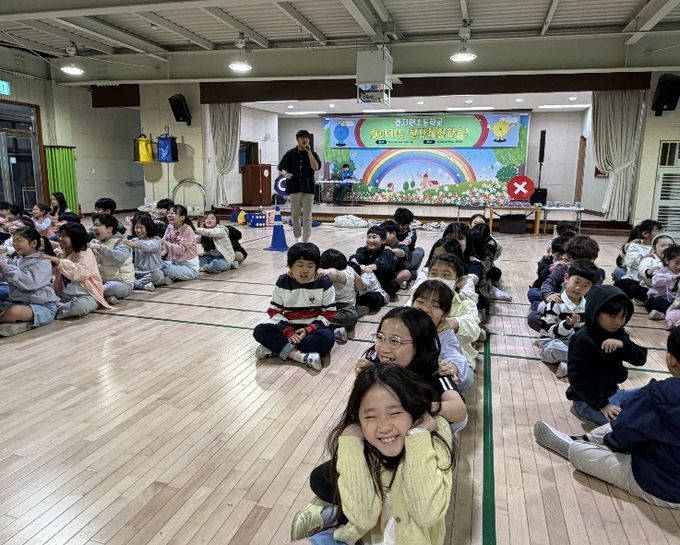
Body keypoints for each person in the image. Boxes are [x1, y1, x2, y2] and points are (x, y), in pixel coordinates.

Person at [292, 307, 464, 541]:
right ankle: (337, 514)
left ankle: (336, 514)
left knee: (399, 494)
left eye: (395, 341)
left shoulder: (435, 375)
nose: (383, 347)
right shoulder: (375, 367)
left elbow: (459, 410)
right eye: (380, 337)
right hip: (378, 456)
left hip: (415, 456)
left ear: (420, 344)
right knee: (322, 478)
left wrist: (417, 410)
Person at [534, 327, 680, 509]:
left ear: (670, 359)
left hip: (659, 484)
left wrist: (611, 442)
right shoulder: (658, 393)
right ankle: (585, 438)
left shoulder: (658, 393)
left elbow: (625, 432)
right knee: (627, 414)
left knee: (583, 451)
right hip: (663, 462)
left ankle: (576, 444)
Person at [565, 285, 648, 425]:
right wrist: (603, 405)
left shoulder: (619, 334)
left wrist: (624, 345)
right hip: (589, 402)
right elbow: (577, 379)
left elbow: (640, 359)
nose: (618, 322)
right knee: (624, 425)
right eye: (612, 316)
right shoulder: (581, 340)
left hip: (615, 393)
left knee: (653, 392)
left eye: (623, 317)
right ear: (596, 313)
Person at [253, 242, 336, 371]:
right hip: (288, 329)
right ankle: (298, 356)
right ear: (291, 266)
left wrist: (307, 330)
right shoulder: (283, 281)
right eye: (299, 265)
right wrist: (288, 331)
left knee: (327, 338)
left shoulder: (324, 282)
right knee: (260, 330)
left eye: (310, 266)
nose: (304, 270)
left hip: (312, 330)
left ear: (316, 267)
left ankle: (277, 349)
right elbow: (274, 311)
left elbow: (329, 314)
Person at [534, 259, 600, 378]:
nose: (579, 288)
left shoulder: (587, 306)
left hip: (573, 345)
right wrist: (567, 325)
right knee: (555, 348)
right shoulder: (555, 303)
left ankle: (569, 366)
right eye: (576, 282)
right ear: (566, 278)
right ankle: (579, 364)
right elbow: (550, 332)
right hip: (552, 342)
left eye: (586, 285)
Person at [412, 279, 474, 393]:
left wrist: (453, 367)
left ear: (445, 314)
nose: (425, 309)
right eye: (420, 301)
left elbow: (452, 353)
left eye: (435, 306)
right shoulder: (401, 322)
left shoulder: (442, 333)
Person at [43, 222, 111, 319]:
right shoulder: (60, 251)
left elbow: (80, 273)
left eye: (64, 236)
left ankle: (52, 310)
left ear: (75, 237)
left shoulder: (85, 252)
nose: (60, 238)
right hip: (64, 294)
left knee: (79, 307)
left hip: (86, 295)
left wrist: (58, 262)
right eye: (59, 235)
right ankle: (56, 308)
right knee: (42, 297)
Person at [0, 226, 59, 336]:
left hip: (42, 306)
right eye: (14, 241)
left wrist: (4, 267)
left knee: (15, 311)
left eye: (19, 241)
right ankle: (11, 321)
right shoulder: (16, 259)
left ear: (33, 243)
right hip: (16, 301)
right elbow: (4, 276)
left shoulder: (43, 261)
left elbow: (29, 283)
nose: (15, 244)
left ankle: (5, 319)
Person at [278, 129, 321, 243]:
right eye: (303, 138)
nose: (305, 140)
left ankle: (306, 241)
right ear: (298, 139)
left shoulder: (313, 153)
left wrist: (309, 152)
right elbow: (281, 168)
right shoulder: (290, 153)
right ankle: (297, 237)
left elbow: (316, 167)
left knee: (307, 217)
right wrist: (285, 174)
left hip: (308, 190)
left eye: (307, 138)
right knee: (295, 216)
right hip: (294, 189)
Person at [89, 214, 134, 305]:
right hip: (102, 282)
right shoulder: (95, 242)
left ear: (109, 229)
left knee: (109, 288)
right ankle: (104, 296)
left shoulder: (122, 242)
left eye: (97, 225)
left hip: (122, 283)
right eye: (93, 225)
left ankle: (99, 295)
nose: (94, 228)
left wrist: (100, 247)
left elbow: (119, 258)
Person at [614, 219, 663, 302]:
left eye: (661, 231)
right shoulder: (635, 246)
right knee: (622, 284)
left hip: (657, 283)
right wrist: (644, 258)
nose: (660, 234)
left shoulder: (662, 247)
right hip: (636, 280)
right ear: (645, 234)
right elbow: (631, 261)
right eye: (657, 231)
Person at [318, 249, 358, 344]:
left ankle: (319, 326)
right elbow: (362, 285)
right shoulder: (323, 274)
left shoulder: (346, 271)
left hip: (344, 308)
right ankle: (334, 329)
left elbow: (334, 273)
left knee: (351, 316)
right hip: (326, 307)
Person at [350, 226, 399, 299]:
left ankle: (385, 296)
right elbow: (358, 257)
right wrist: (353, 261)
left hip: (382, 282)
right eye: (368, 237)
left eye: (374, 237)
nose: (370, 240)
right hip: (365, 281)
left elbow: (384, 264)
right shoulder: (363, 250)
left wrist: (370, 267)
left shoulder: (387, 252)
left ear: (383, 241)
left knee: (393, 285)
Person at [121, 214, 164, 292]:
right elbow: (126, 244)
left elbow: (148, 247)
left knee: (158, 274)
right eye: (136, 227)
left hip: (152, 272)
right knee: (123, 273)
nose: (138, 230)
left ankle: (135, 284)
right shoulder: (135, 240)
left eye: (141, 227)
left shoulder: (155, 240)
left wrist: (133, 244)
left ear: (148, 228)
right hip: (138, 273)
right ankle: (143, 285)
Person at [161, 205, 199, 283]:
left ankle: (166, 279)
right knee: (155, 266)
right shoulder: (170, 226)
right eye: (168, 212)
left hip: (189, 268)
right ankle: (167, 279)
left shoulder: (188, 230)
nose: (169, 215)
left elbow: (180, 250)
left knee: (164, 269)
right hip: (174, 263)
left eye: (173, 213)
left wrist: (164, 241)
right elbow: (164, 247)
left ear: (182, 217)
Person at [646, 244, 680, 319]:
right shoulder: (661, 270)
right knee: (651, 302)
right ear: (667, 261)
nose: (679, 267)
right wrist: (672, 277)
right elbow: (656, 281)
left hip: (674, 302)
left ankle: (666, 315)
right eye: (676, 263)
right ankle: (665, 315)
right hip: (661, 300)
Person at [394, 207, 425, 280]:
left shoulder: (411, 231)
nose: (400, 227)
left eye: (403, 225)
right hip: (390, 259)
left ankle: (404, 273)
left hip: (404, 261)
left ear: (408, 224)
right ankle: (410, 274)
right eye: (399, 224)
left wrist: (399, 243)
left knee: (419, 251)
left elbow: (407, 241)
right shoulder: (390, 228)